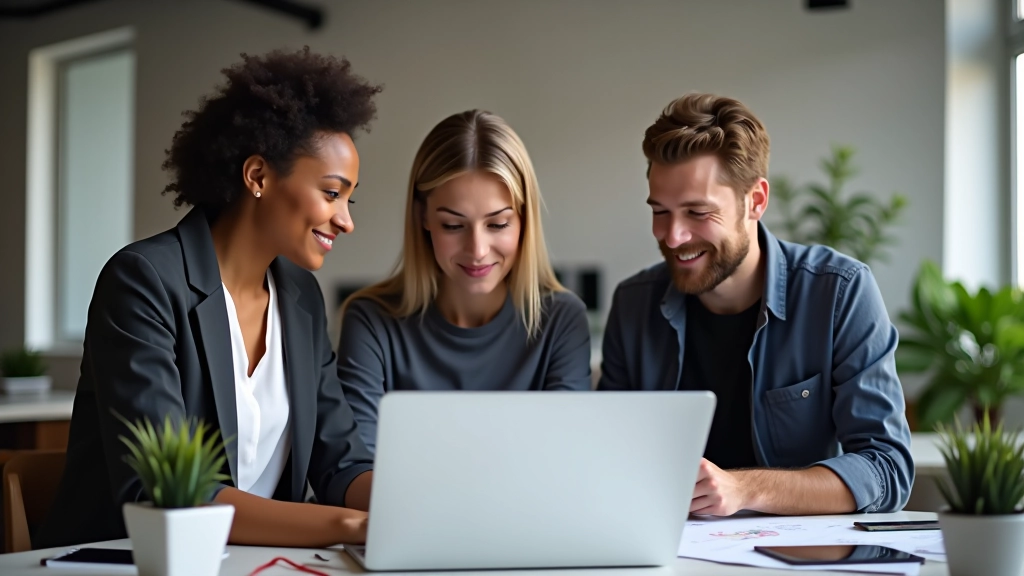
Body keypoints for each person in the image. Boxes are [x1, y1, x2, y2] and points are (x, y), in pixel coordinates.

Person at [37, 48, 382, 549]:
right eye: (332, 194)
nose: (346, 220)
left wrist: (407, 505)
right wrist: (348, 526)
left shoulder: (302, 299)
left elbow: (340, 462)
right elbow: (170, 491)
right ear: (258, 177)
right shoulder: (143, 282)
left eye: (350, 200)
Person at [597, 93, 913, 516]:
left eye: (697, 212)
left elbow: (886, 469)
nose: (673, 237)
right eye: (661, 212)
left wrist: (745, 489)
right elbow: (603, 458)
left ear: (756, 201)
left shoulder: (839, 293)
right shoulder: (634, 304)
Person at [336, 110, 592, 455]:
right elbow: (354, 467)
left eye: (498, 224)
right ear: (422, 217)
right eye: (453, 226)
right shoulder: (371, 321)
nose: (477, 251)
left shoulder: (562, 320)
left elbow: (566, 458)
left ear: (524, 221)